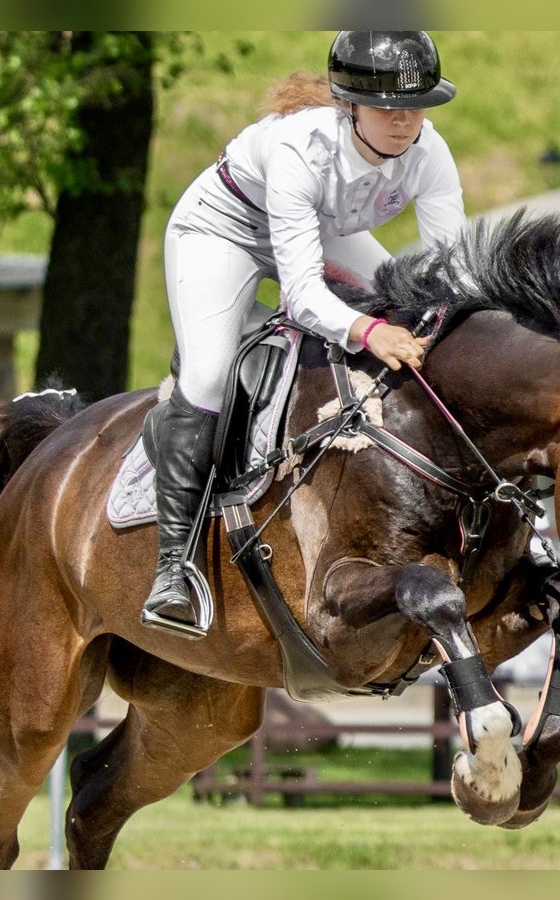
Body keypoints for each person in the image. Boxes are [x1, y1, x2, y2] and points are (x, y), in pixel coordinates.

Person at [142, 31, 467, 634]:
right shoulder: (300, 147)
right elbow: (302, 295)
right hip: (226, 228)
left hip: (316, 227)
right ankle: (173, 568)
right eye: (388, 108)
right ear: (349, 106)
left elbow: (454, 273)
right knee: (209, 374)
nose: (405, 123)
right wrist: (370, 332)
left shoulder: (431, 152)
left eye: (416, 106)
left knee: (412, 307)